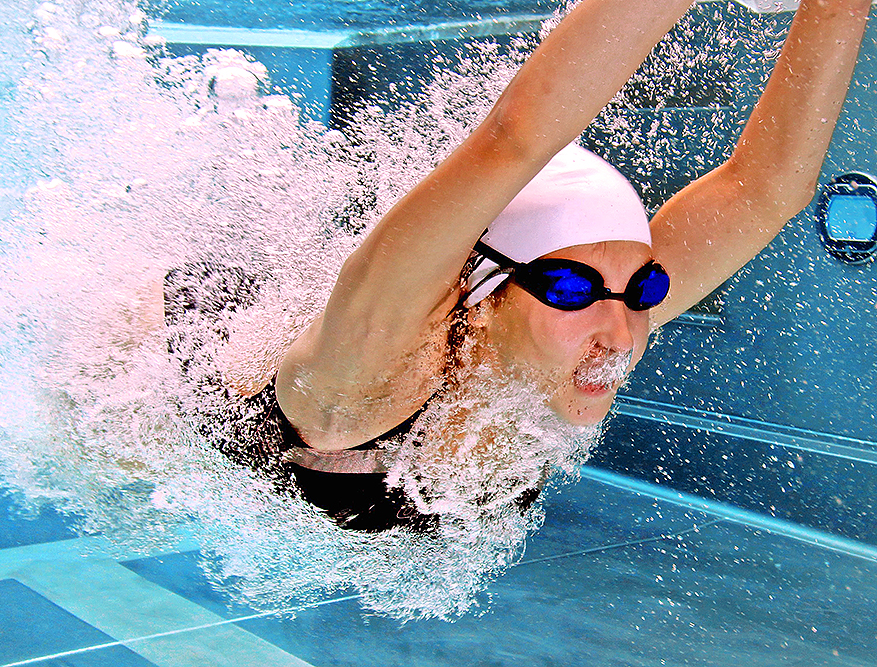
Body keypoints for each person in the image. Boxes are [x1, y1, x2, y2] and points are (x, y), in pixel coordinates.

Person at [169, 0, 870, 532]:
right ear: (481, 293)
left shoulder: (584, 324)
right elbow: (511, 142)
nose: (623, 333)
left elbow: (763, 194)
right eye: (570, 287)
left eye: (646, 286)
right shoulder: (370, 376)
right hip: (175, 354)